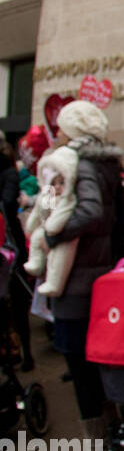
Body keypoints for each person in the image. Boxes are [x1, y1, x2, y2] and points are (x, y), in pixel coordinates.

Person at [40, 101, 124, 443]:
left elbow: (88, 213)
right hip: (105, 279)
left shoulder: (74, 162)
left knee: (80, 367)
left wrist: (53, 233)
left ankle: (98, 443)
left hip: (75, 282)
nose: (57, 133)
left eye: (61, 126)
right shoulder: (109, 162)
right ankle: (115, 430)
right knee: (102, 362)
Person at [0, 140, 34, 370]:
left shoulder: (47, 168)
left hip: (13, 241)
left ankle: (20, 351)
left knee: (16, 299)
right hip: (19, 236)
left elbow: (48, 204)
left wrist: (33, 206)